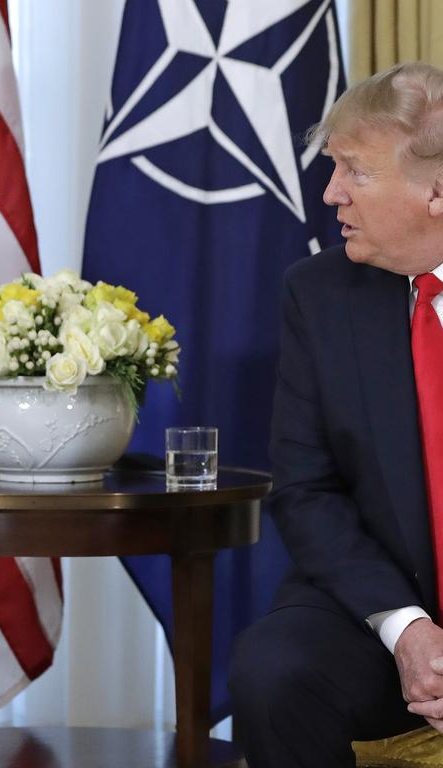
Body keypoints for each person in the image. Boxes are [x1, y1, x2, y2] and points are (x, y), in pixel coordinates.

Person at [229, 61, 443, 766]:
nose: (330, 194)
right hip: (381, 608)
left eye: (354, 170)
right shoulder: (319, 295)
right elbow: (306, 488)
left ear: (436, 189)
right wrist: (410, 631)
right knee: (275, 673)